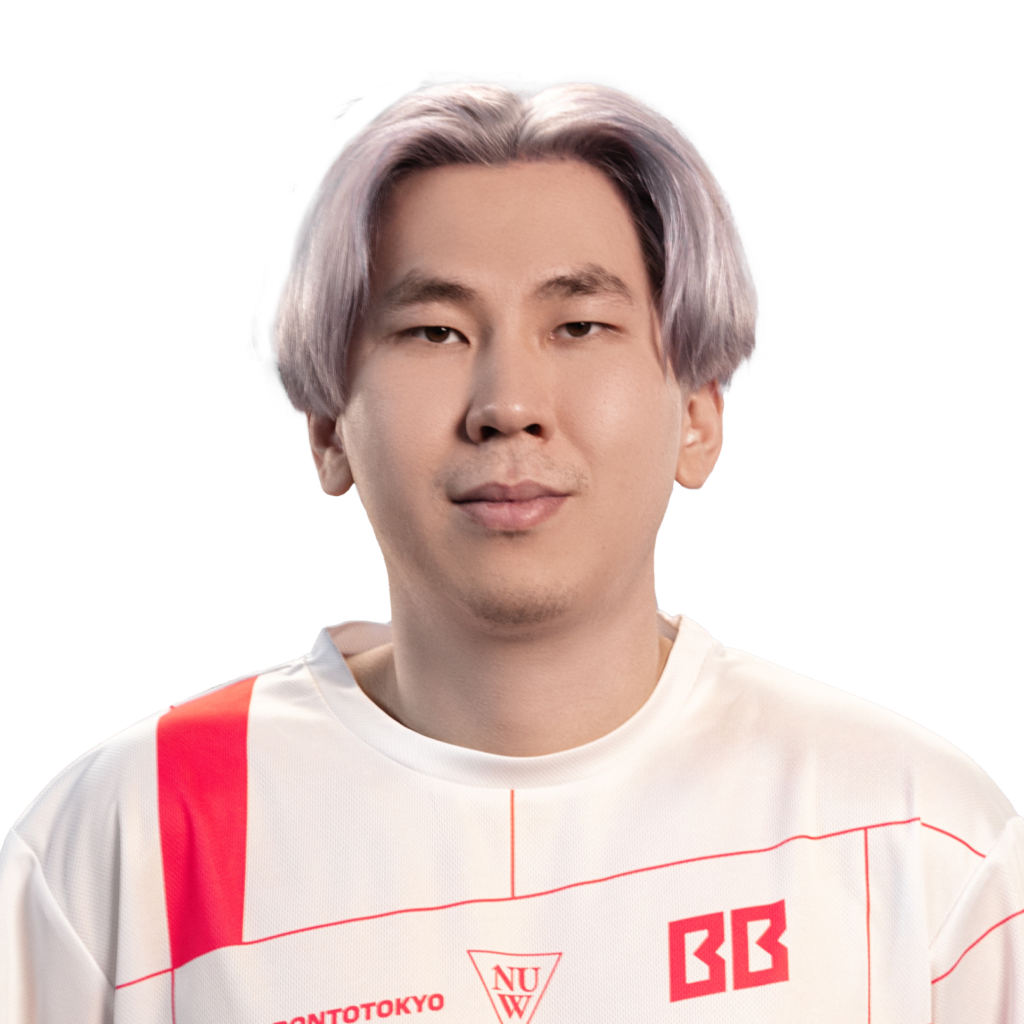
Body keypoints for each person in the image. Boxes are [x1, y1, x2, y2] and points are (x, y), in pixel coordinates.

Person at [2, 70, 1021, 1023]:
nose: (508, 405)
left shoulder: (918, 832)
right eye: (434, 331)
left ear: (698, 413)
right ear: (325, 428)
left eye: (578, 326)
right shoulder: (122, 836)